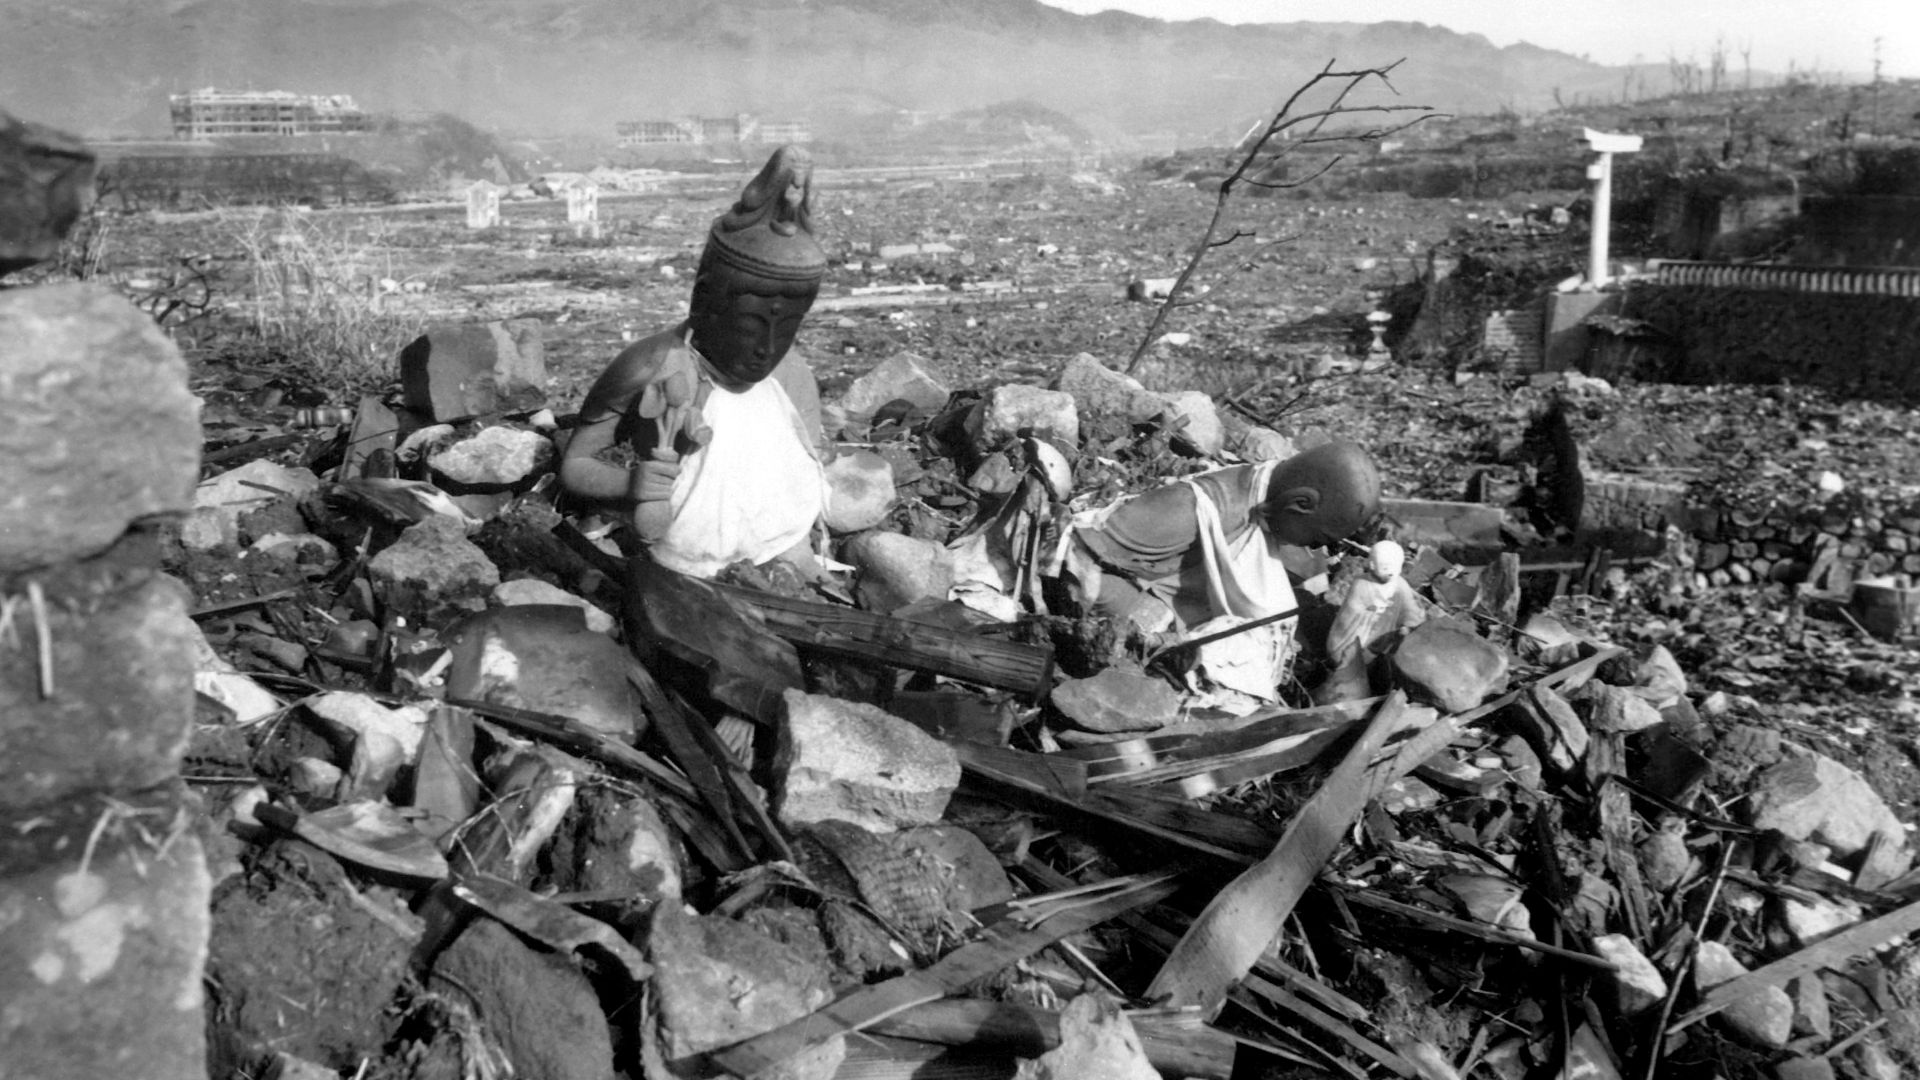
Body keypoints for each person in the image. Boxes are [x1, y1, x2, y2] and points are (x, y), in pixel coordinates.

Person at [559, 146, 830, 579]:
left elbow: (805, 467)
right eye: (751, 325)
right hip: (680, 553)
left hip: (779, 539)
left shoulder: (791, 376)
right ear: (705, 298)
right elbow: (575, 465)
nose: (768, 347)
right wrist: (631, 484)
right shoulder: (654, 365)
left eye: (788, 328)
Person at [1056, 440, 1383, 634]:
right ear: (1299, 503)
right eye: (1317, 539)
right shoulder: (1189, 510)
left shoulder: (1264, 505)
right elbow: (1075, 557)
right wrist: (1148, 618)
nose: (1317, 549)